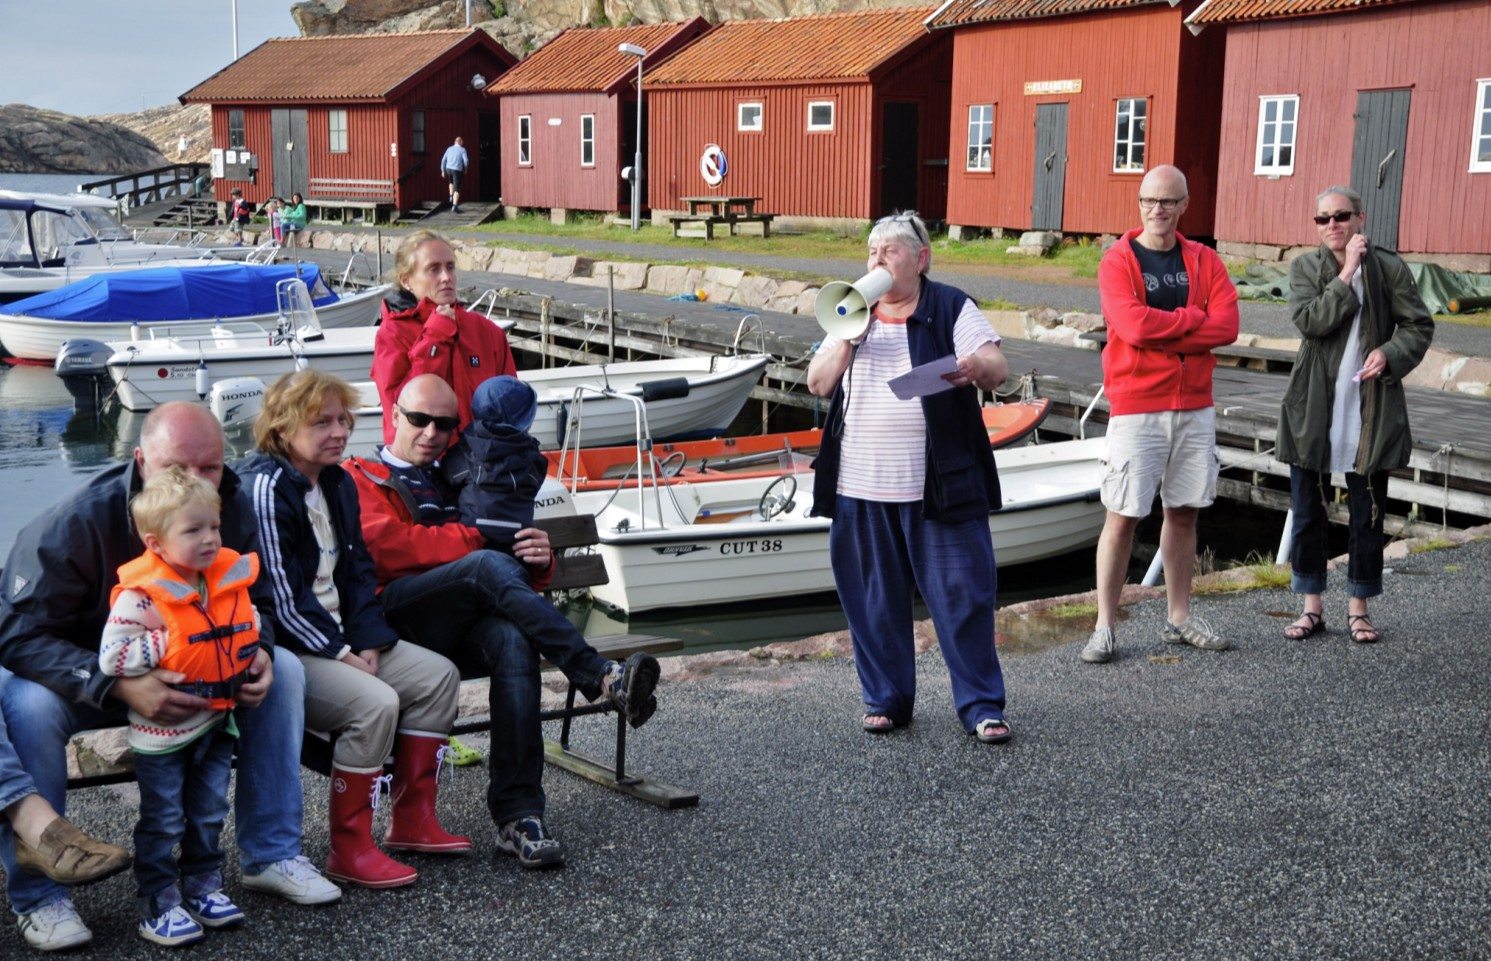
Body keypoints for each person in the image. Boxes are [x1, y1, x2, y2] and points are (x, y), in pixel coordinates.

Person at [0, 402, 339, 954]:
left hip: (200, 671)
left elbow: (258, 602)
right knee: (26, 704)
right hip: (90, 675)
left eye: (209, 467)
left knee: (288, 673)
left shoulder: (226, 505)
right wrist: (114, 683)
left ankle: (272, 854)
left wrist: (262, 651)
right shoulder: (77, 523)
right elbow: (16, 636)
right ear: (139, 461)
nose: (195, 480)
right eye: (177, 466)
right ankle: (39, 895)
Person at [345, 374, 660, 869]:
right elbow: (387, 550)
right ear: (394, 415)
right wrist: (477, 540)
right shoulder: (361, 475)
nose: (431, 432)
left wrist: (540, 563)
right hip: (397, 620)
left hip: (460, 623)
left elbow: (503, 573)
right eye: (419, 419)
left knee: (513, 639)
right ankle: (599, 674)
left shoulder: (469, 471)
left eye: (444, 424)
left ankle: (519, 817)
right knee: (485, 566)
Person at [237, 370, 467, 890]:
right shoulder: (268, 488)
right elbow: (278, 596)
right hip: (295, 650)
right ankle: (350, 847)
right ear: (281, 427)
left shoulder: (337, 482)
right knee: (375, 702)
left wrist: (366, 639)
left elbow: (359, 573)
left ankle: (411, 820)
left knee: (438, 678)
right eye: (321, 422)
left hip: (344, 639)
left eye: (343, 420)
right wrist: (343, 653)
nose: (339, 432)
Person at [805, 211, 1012, 744]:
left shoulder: (949, 305)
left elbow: (996, 365)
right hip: (860, 485)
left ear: (921, 259)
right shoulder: (851, 310)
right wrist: (850, 336)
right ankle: (886, 699)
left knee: (962, 595)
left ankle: (981, 705)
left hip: (938, 484)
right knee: (872, 600)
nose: (877, 260)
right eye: (872, 252)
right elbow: (818, 383)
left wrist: (973, 367)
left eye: (890, 251)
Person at [1081, 164, 1241, 665]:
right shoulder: (1118, 261)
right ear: (1140, 204)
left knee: (1184, 513)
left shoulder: (1205, 259)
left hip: (1194, 405)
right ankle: (1105, 625)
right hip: (1138, 407)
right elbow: (1132, 326)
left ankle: (1179, 617)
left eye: (1168, 201)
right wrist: (1194, 320)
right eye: (1149, 200)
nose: (1158, 210)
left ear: (1184, 205)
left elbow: (1229, 325)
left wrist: (1169, 327)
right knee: (1123, 515)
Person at [100, 468, 263, 946]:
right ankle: (158, 901)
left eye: (213, 526)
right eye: (193, 531)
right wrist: (169, 641)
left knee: (210, 811)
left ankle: (203, 886)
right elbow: (113, 657)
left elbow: (246, 620)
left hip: (216, 720)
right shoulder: (141, 598)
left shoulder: (221, 582)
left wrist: (251, 644)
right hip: (162, 736)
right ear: (156, 543)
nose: (210, 538)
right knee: (164, 819)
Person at [1276, 186, 1433, 644]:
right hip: (1313, 409)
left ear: (1360, 218)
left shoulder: (1387, 267)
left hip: (1370, 410)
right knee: (1307, 511)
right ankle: (1311, 608)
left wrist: (1388, 352)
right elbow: (1310, 322)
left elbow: (1419, 325)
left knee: (1367, 514)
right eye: (1322, 219)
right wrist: (1346, 273)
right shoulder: (1306, 267)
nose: (1331, 226)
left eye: (1340, 216)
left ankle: (1359, 608)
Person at [371, 230, 518, 442]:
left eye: (450, 267)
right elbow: (402, 410)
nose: (446, 277)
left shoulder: (487, 332)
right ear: (406, 280)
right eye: (433, 269)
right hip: (421, 465)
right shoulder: (392, 334)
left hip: (481, 464)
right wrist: (435, 339)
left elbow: (510, 404)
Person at [441, 375, 548, 548]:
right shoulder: (534, 461)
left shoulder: (460, 455)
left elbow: (448, 476)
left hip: (472, 547)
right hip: (520, 548)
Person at [440, 136, 468, 213]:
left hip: (448, 169)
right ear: (461, 142)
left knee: (451, 182)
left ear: (455, 142)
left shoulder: (449, 149)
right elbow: (466, 161)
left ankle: (450, 195)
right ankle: (454, 206)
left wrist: (443, 170)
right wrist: (465, 169)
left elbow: (443, 160)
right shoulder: (462, 150)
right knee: (457, 188)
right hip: (457, 170)